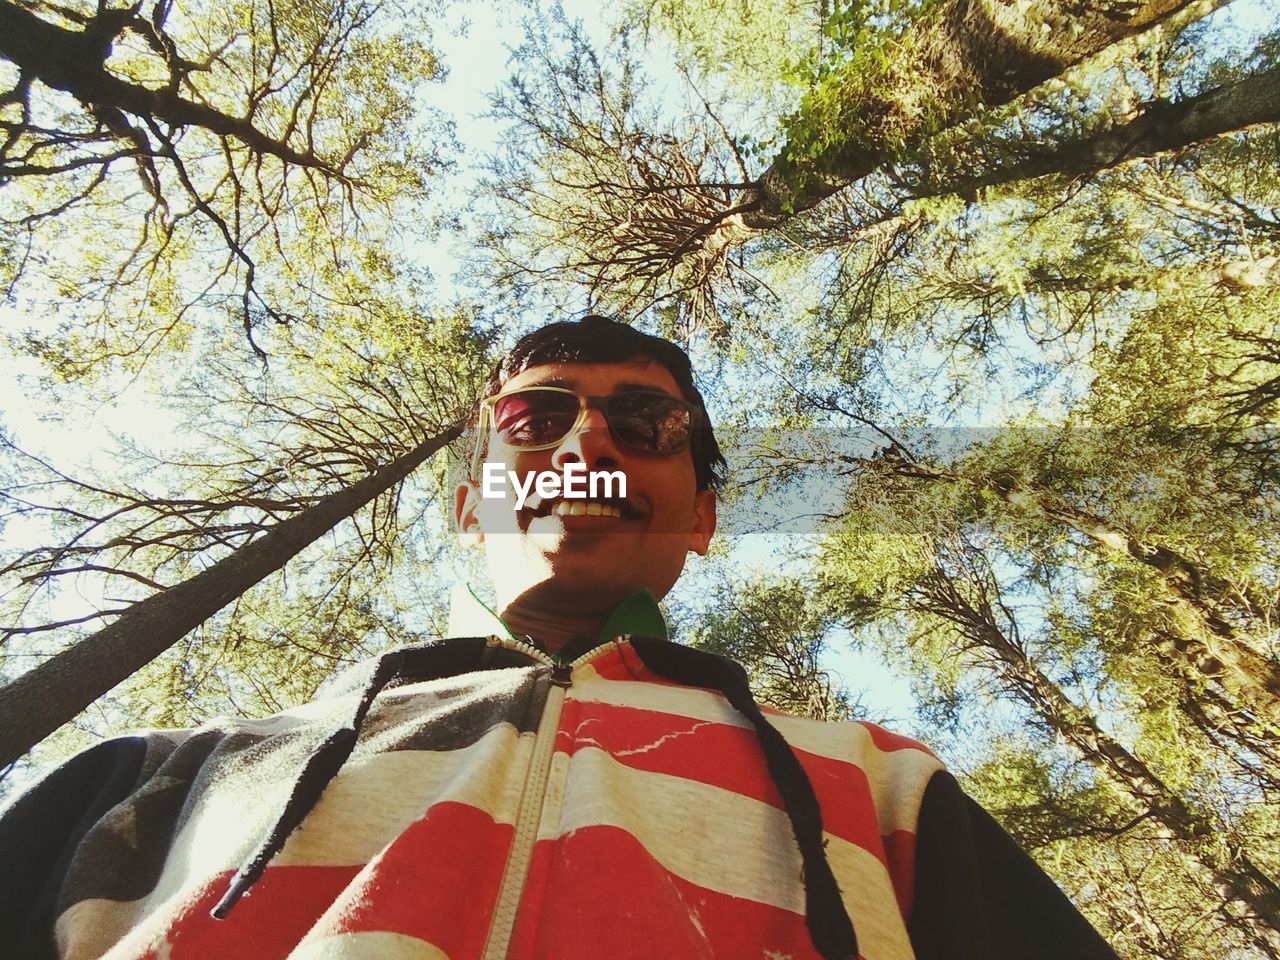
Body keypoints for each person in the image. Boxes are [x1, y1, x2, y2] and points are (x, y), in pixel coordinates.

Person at [0, 316, 1117, 960]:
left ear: (705, 515)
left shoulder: (881, 792)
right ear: (465, 498)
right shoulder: (165, 771)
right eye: (533, 420)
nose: (587, 441)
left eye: (644, 425)